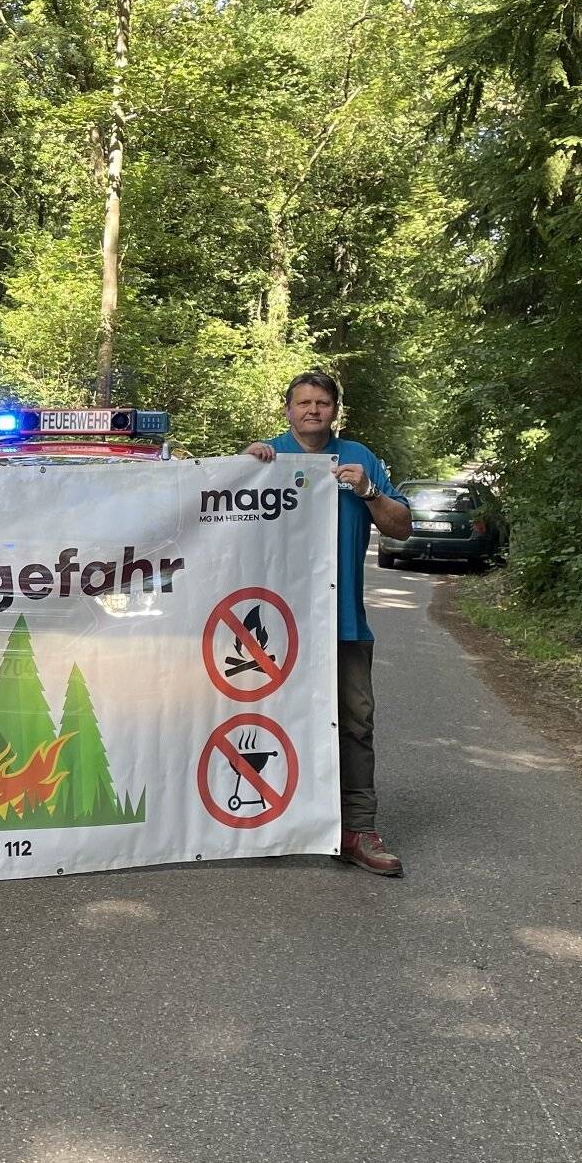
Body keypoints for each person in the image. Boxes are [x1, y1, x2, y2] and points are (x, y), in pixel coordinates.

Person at [245, 371, 412, 876]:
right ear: (288, 409)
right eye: (303, 402)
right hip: (274, 628)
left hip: (344, 625)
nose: (313, 410)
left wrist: (367, 492)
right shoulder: (262, 457)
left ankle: (358, 829)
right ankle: (270, 821)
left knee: (355, 724)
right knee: (271, 717)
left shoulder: (360, 458)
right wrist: (241, 471)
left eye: (322, 403)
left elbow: (401, 528)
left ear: (334, 411)